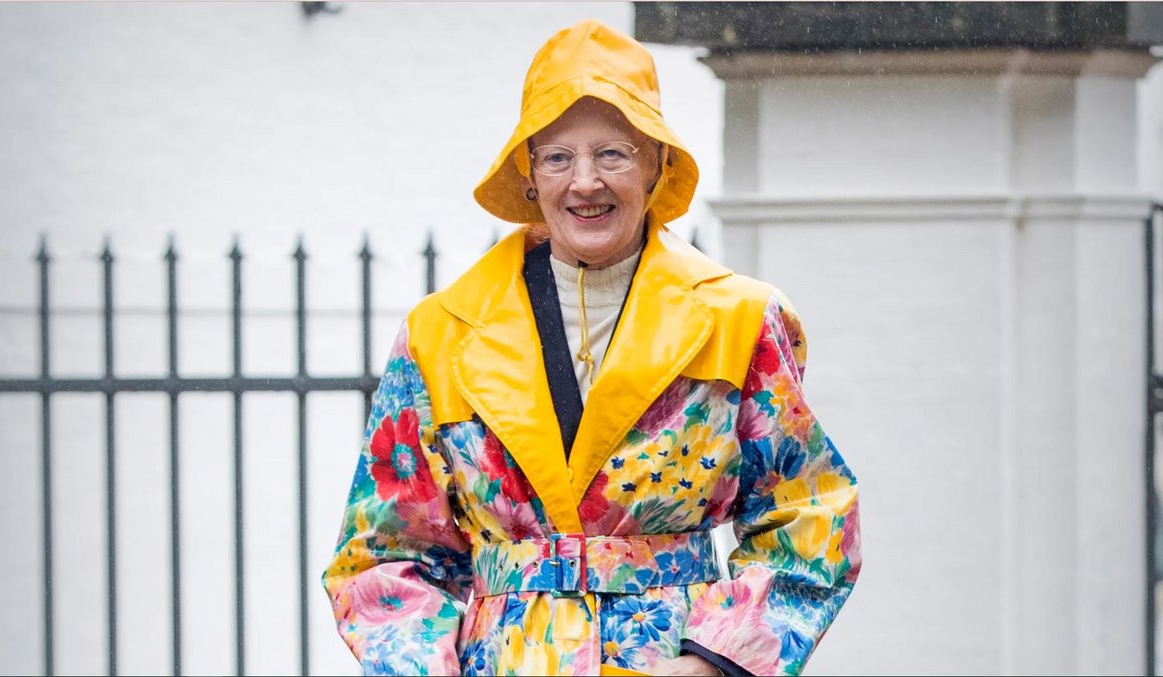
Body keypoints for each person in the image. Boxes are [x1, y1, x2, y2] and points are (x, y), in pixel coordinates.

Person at [323, 18, 860, 677]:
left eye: (613, 153)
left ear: (656, 164)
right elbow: (383, 556)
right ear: (529, 174)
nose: (585, 181)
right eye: (558, 157)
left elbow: (809, 511)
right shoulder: (440, 334)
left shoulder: (740, 319)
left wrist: (713, 662)